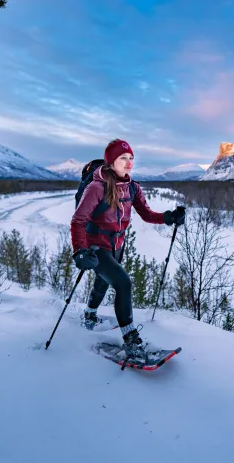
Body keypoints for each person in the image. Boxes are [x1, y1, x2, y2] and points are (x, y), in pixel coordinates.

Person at [70, 138, 185, 359]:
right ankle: (131, 340)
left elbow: (148, 214)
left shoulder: (132, 188)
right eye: (123, 158)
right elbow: (78, 220)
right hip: (96, 246)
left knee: (103, 283)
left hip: (117, 245)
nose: (129, 162)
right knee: (123, 283)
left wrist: (169, 217)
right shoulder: (96, 187)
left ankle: (89, 314)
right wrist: (80, 250)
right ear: (111, 161)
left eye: (131, 157)